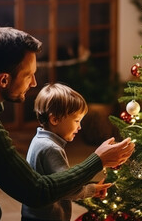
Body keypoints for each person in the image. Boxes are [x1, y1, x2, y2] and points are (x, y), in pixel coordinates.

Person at [0, 27, 134, 221]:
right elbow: (36, 192)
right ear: (3, 80)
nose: (35, 83)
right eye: (29, 75)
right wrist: (97, 160)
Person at [21, 83, 111, 221]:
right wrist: (91, 190)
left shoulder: (38, 139)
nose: (80, 127)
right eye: (76, 120)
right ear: (54, 119)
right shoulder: (51, 148)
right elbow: (67, 188)